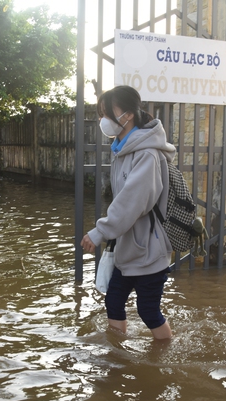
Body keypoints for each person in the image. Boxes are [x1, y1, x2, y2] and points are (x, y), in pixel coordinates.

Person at [80, 85, 176, 340]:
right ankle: (116, 357)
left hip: (148, 251)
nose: (102, 121)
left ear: (128, 114)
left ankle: (164, 357)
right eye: (99, 114)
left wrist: (100, 231)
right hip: (127, 249)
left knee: (148, 311)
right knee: (113, 302)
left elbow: (132, 202)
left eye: (105, 113)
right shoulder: (121, 149)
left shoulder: (146, 154)